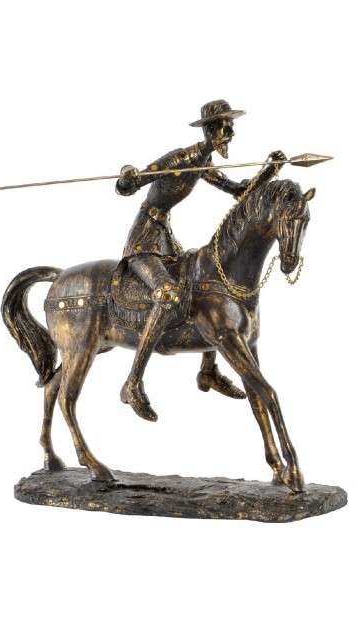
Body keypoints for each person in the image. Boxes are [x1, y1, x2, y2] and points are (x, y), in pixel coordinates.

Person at [116, 99, 285, 422]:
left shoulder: (203, 163)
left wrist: (269, 170)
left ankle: (208, 371)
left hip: (166, 240)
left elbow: (239, 192)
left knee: (204, 287)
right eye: (226, 127)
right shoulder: (180, 159)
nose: (231, 133)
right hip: (144, 242)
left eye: (231, 127)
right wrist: (128, 176)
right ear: (210, 130)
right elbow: (128, 187)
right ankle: (133, 383)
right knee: (167, 294)